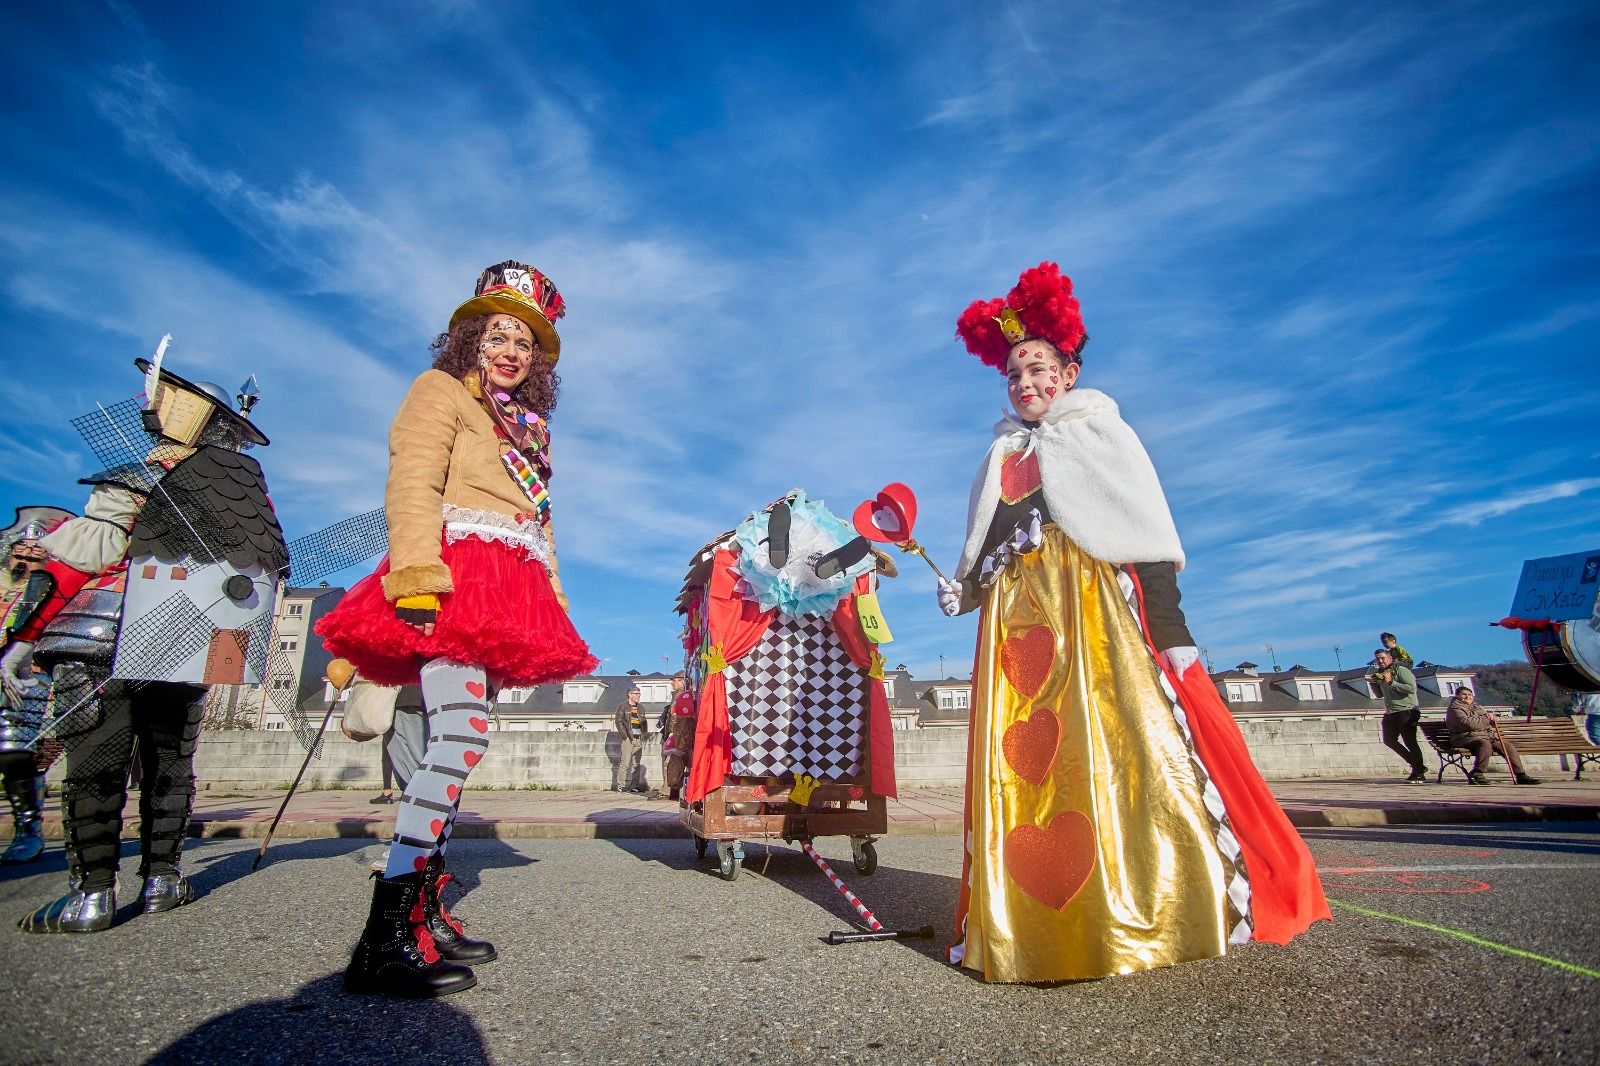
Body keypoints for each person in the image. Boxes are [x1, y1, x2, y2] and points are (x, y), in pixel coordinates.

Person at [937, 263, 1328, 983]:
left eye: (1038, 369)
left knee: (1125, 757)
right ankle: (1042, 920)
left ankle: (1150, 903)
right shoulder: (1000, 455)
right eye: (1014, 375)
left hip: (1098, 625)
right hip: (1022, 638)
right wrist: (962, 589)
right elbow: (988, 549)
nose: (1024, 384)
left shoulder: (1100, 433)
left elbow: (1144, 534)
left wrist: (1173, 634)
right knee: (1035, 779)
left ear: (1069, 371)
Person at [11, 355, 284, 934]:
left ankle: (92, 896)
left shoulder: (136, 477)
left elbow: (96, 552)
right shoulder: (238, 490)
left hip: (106, 633)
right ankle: (163, 877)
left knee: (97, 765)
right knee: (169, 764)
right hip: (185, 638)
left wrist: (47, 531)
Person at [0, 508, 73, 864]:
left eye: (35, 553)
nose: (27, 559)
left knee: (14, 749)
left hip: (27, 674)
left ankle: (27, 827)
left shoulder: (53, 588)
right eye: (21, 553)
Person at [1445, 687, 1540, 785]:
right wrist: (1486, 718)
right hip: (1464, 737)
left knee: (1507, 746)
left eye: (1469, 694)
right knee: (1484, 744)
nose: (1467, 696)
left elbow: (1486, 722)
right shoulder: (1454, 709)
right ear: (1457, 696)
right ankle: (1478, 772)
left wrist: (1493, 719)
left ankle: (1520, 775)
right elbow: (1470, 724)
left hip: (1485, 736)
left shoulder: (1478, 707)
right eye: (1464, 694)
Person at [1370, 648, 1427, 783]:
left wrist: (1391, 682)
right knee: (1389, 740)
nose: (1380, 661)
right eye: (1377, 659)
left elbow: (1411, 688)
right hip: (1391, 711)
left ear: (1390, 658)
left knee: (1410, 742)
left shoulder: (1401, 670)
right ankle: (1418, 766)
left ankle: (1418, 772)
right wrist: (1374, 684)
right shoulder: (1380, 674)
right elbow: (1380, 695)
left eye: (1382, 658)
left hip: (1407, 710)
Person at [657, 670, 692, 801]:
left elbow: (674, 716)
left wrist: (671, 734)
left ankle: (667, 791)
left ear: (682, 681)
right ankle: (672, 791)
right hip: (677, 733)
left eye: (675, 680)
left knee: (670, 763)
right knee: (673, 763)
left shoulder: (680, 695)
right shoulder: (681, 694)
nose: (672, 683)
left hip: (675, 734)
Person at [612, 685, 648, 793]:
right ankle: (621, 786)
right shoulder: (623, 706)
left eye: (639, 694)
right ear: (630, 695)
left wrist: (644, 734)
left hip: (638, 738)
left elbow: (644, 722)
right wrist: (625, 736)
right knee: (625, 763)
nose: (638, 696)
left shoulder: (641, 707)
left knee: (636, 764)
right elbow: (619, 721)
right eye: (636, 694)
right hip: (628, 738)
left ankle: (634, 786)